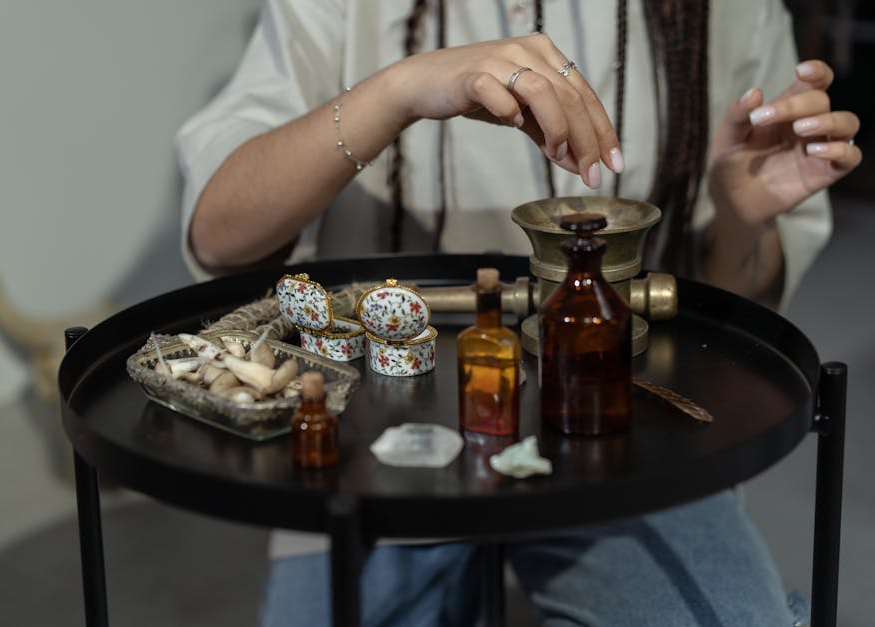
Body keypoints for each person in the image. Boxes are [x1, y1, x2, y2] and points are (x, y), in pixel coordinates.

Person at [175, 1, 861, 625]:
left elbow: (723, 316)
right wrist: (398, 90)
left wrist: (742, 219)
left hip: (620, 446)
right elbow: (218, 233)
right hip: (380, 444)